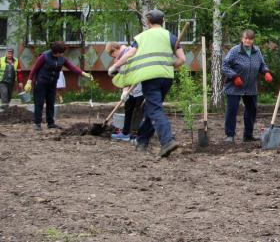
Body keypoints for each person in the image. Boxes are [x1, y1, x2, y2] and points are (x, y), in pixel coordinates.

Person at [108, 9, 186, 157]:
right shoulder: (170, 36)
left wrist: (115, 66)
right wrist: (168, 65)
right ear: (162, 21)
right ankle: (142, 141)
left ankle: (167, 140)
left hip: (150, 78)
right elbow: (182, 59)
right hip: (166, 77)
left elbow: (130, 53)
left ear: (148, 22)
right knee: (152, 107)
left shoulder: (141, 37)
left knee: (155, 109)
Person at [25, 41, 94, 130]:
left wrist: (83, 73)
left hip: (52, 83)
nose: (62, 54)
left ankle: (51, 123)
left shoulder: (61, 59)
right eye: (61, 52)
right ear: (56, 52)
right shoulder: (44, 57)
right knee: (39, 103)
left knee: (51, 103)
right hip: (41, 83)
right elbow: (34, 69)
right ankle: (37, 124)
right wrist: (29, 81)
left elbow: (72, 67)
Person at [221, 29, 273, 143]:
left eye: (250, 39)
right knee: (232, 111)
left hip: (250, 87)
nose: (247, 41)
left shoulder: (257, 51)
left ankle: (248, 135)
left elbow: (262, 64)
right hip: (234, 87)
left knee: (251, 110)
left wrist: (266, 72)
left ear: (253, 40)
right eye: (246, 38)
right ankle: (230, 135)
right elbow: (224, 66)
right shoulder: (235, 51)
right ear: (242, 39)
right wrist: (234, 76)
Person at [105, 42, 144, 141]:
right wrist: (125, 91)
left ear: (115, 49)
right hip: (132, 88)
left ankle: (137, 135)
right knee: (128, 108)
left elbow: (127, 74)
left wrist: (125, 90)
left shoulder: (128, 53)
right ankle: (126, 133)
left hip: (141, 86)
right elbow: (124, 77)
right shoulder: (120, 58)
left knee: (138, 111)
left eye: (112, 54)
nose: (113, 56)